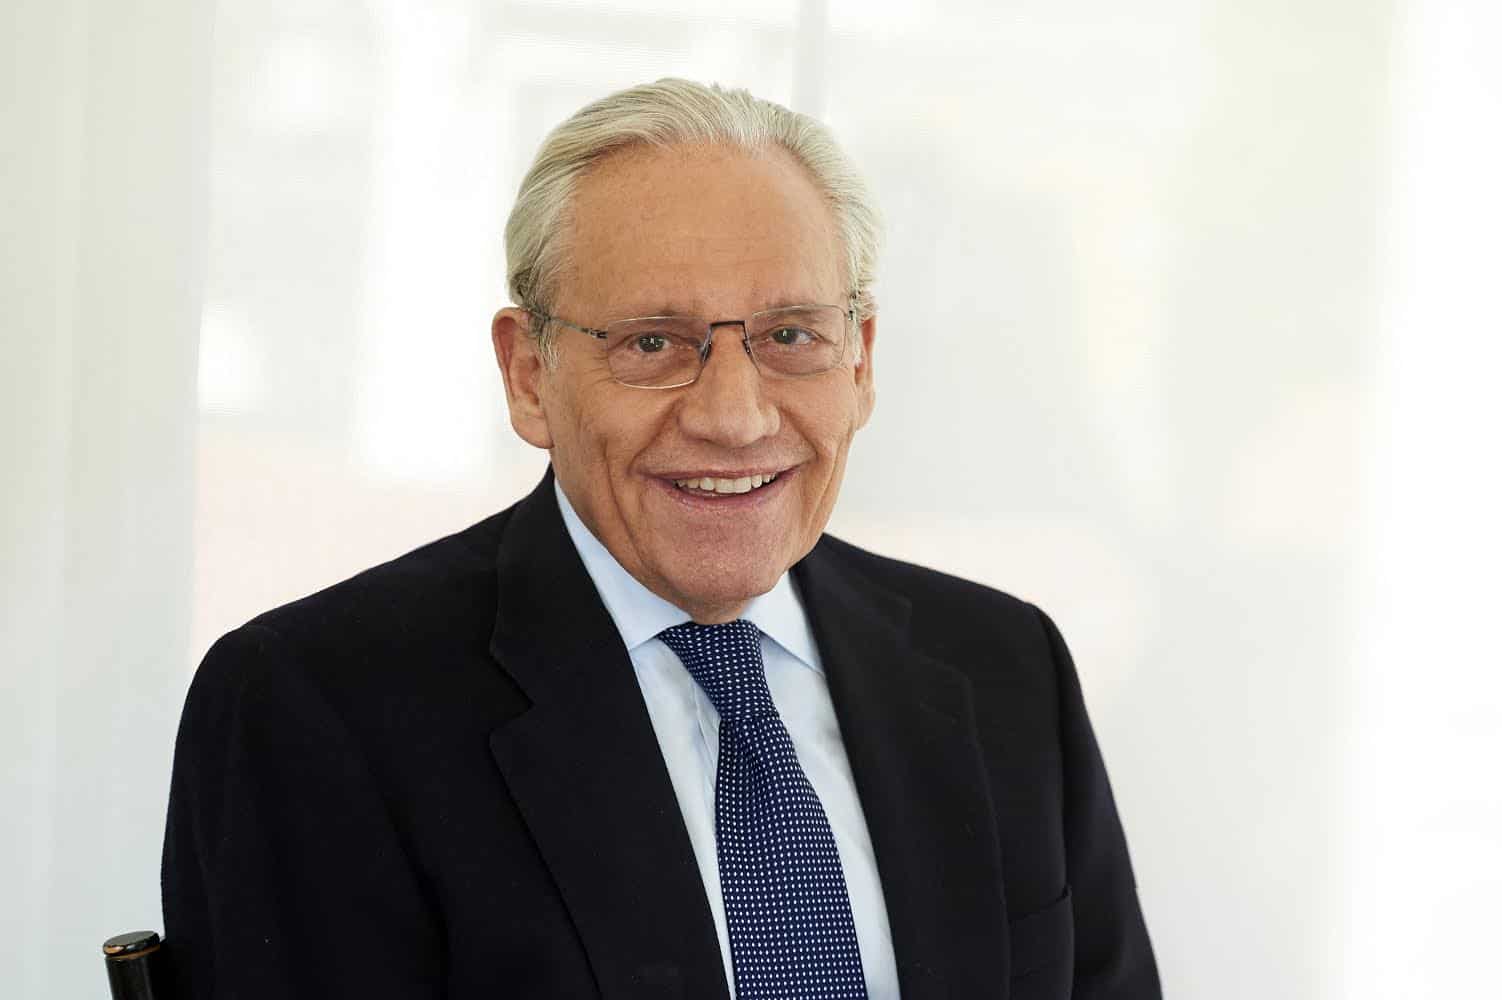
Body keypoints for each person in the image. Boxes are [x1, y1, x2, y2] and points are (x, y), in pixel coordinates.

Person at [161, 79, 1160, 999]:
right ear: (527, 375)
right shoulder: (313, 708)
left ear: (859, 362)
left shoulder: (1002, 669)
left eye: (790, 336)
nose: (734, 417)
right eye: (651, 342)